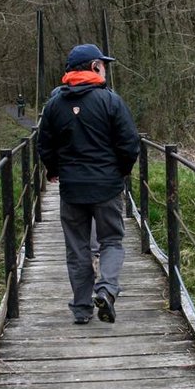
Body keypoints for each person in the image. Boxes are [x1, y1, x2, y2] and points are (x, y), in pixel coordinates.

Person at [37, 43, 140, 324]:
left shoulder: (54, 104)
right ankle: (106, 290)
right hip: (106, 187)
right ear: (94, 67)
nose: (105, 68)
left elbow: (44, 144)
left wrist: (53, 170)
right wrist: (121, 171)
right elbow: (130, 144)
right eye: (103, 64)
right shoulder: (111, 101)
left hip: (71, 188)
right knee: (111, 241)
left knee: (78, 248)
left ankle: (82, 309)